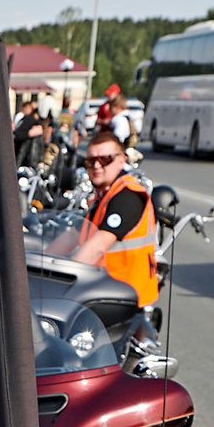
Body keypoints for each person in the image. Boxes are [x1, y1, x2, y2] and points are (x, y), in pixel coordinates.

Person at [56, 131, 157, 310]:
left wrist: (65, 284)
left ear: (121, 160)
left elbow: (98, 246)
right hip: (101, 289)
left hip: (122, 298)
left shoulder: (128, 196)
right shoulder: (104, 196)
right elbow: (73, 235)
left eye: (105, 160)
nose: (96, 166)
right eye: (90, 161)